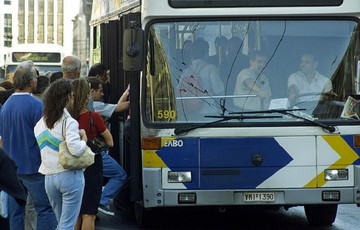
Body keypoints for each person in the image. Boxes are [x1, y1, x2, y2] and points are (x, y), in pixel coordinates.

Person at [0, 60, 57, 230]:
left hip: (12, 167)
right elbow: (45, 138)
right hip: (33, 166)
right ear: (31, 81)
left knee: (16, 212)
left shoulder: (6, 106)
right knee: (45, 209)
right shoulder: (37, 105)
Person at [33, 79, 88, 229]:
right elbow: (76, 149)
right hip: (69, 175)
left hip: (49, 177)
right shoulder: (69, 122)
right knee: (67, 224)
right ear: (68, 97)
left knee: (62, 223)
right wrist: (84, 140)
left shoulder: (40, 124)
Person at [70, 78, 113, 230]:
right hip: (91, 165)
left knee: (75, 213)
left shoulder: (67, 117)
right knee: (89, 213)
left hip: (71, 166)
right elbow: (110, 142)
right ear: (87, 95)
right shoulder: (93, 117)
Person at [87, 77, 129, 216]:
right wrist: (140, 100)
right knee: (120, 175)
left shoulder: (84, 108)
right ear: (91, 91)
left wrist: (126, 93)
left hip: (89, 152)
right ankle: (102, 201)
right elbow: (119, 108)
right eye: (100, 91)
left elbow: (115, 107)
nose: (103, 94)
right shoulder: (95, 107)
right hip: (97, 151)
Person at [178, 38, 225, 118]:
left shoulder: (186, 71)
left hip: (191, 111)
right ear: (206, 53)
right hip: (209, 111)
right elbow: (218, 90)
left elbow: (179, 89)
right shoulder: (211, 68)